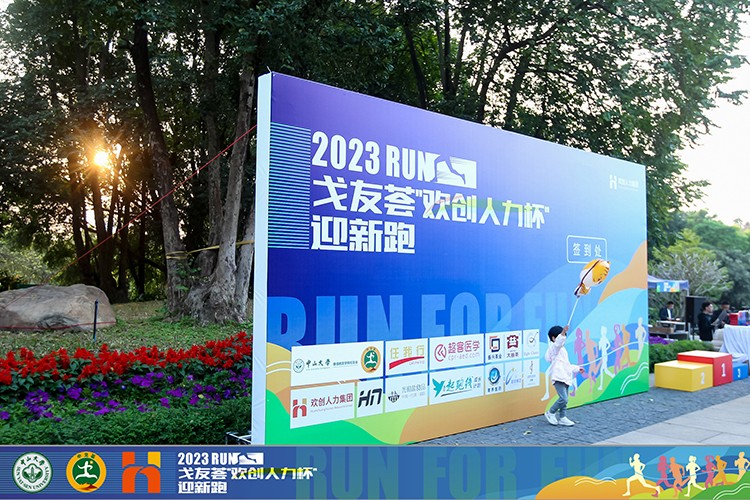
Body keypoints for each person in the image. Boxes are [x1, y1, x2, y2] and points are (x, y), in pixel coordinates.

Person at [543, 325, 585, 427]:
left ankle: (563, 417)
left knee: (565, 400)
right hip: (558, 377)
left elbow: (567, 365)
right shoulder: (554, 349)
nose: (564, 338)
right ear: (554, 338)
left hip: (565, 377)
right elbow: (558, 343)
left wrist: (577, 368)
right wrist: (562, 333)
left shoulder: (562, 350)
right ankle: (550, 412)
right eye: (562, 336)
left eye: (565, 336)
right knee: (564, 398)